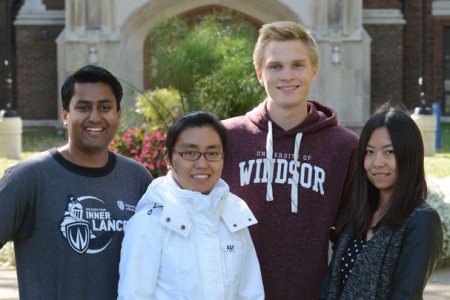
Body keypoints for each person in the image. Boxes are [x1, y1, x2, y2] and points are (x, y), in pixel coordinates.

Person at [221, 21, 359, 299]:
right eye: (275, 66)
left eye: (298, 65)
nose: (287, 75)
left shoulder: (344, 146)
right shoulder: (226, 137)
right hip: (232, 292)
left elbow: (355, 232)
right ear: (260, 73)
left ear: (314, 71)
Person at [0, 65, 153, 299]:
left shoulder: (137, 178)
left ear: (118, 115)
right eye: (83, 107)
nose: (94, 117)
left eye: (105, 107)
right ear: (65, 115)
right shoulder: (28, 178)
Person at [118, 111, 264, 299]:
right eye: (190, 153)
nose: (202, 164)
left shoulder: (234, 217)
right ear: (168, 158)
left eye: (212, 153)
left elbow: (251, 294)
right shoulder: (149, 224)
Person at [319, 103, 443, 299]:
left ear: (409, 156)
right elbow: (329, 287)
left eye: (389, 152)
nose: (377, 162)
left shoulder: (422, 221)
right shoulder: (357, 216)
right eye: (369, 152)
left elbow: (405, 295)